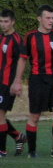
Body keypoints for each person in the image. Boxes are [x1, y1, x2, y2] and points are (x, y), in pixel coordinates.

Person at [10, 5, 53, 159]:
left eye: (52, 18)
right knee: (35, 117)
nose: (51, 21)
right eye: (48, 18)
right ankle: (32, 151)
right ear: (39, 19)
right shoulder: (30, 37)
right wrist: (17, 81)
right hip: (37, 80)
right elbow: (23, 59)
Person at [0, 9, 27, 157]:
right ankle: (18, 136)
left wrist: (17, 83)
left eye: (6, 22)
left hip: (7, 83)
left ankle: (2, 150)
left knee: (0, 114)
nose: (3, 25)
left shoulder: (16, 40)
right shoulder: (1, 38)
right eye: (1, 21)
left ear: (13, 22)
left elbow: (21, 62)